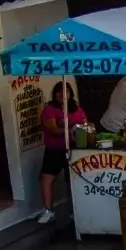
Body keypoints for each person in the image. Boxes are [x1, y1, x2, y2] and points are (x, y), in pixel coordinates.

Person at [37, 82, 87, 225]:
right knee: (47, 178)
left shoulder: (77, 109)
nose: (62, 94)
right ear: (55, 94)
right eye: (59, 92)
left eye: (65, 92)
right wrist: (71, 131)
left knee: (72, 181)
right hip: (54, 150)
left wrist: (75, 130)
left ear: (70, 94)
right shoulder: (49, 109)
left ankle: (74, 211)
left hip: (74, 150)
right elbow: (52, 128)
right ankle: (49, 210)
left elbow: (85, 124)